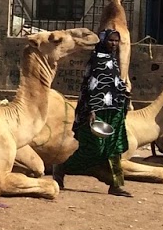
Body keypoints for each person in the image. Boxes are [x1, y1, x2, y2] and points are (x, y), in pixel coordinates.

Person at [56, 28, 133, 196]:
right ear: (104, 40)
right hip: (96, 111)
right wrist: (92, 109)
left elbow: (113, 83)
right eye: (111, 40)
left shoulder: (114, 60)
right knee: (93, 149)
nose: (114, 44)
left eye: (116, 41)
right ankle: (62, 168)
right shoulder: (96, 60)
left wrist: (124, 97)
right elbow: (92, 86)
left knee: (115, 148)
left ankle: (116, 185)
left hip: (114, 110)